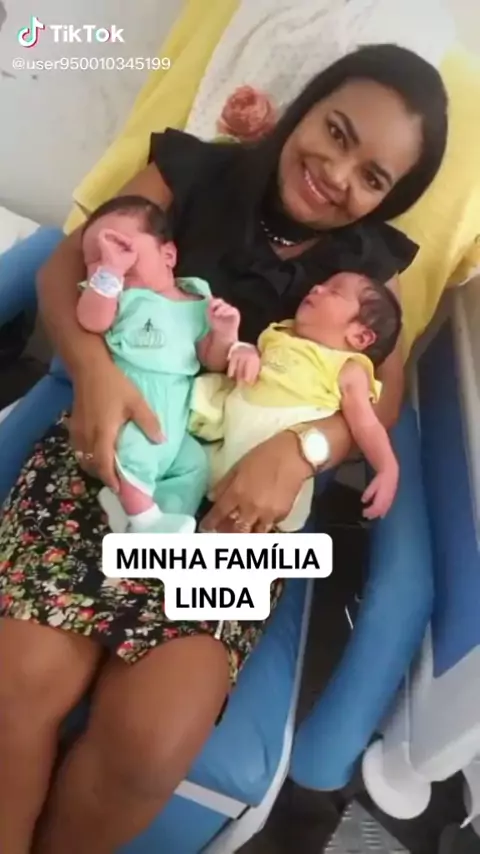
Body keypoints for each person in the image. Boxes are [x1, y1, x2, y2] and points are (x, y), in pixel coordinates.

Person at [0, 44, 448, 854]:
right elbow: (68, 261)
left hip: (237, 518)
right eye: (336, 132)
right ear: (306, 107)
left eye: (373, 177)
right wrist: (93, 375)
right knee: (15, 689)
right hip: (114, 458)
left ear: (391, 198)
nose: (337, 175)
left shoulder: (368, 270)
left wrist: (304, 450)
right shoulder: (192, 171)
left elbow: (379, 397)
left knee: (151, 744)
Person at [77, 194, 241, 535]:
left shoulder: (197, 297)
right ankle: (146, 523)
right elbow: (92, 320)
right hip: (128, 408)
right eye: (95, 259)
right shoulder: (118, 296)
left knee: (195, 465)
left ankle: (155, 514)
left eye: (122, 248)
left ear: (168, 255)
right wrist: (109, 273)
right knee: (134, 453)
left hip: (174, 422)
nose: (111, 260)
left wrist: (225, 333)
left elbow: (210, 360)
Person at [191, 273, 402, 529]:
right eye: (322, 284)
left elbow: (366, 424)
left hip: (270, 476)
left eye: (334, 292)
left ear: (360, 336)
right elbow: (232, 365)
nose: (317, 287)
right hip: (222, 444)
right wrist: (243, 351)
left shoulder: (347, 368)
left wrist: (387, 468)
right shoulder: (279, 334)